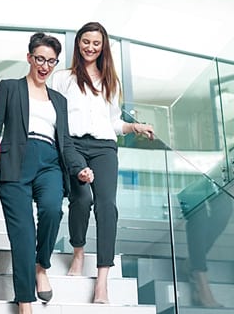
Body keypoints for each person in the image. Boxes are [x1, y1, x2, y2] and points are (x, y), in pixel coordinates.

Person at [49, 21, 155, 303]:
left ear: (103, 46)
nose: (90, 47)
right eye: (86, 41)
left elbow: (113, 122)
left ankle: (103, 281)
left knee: (107, 206)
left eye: (96, 43)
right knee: (81, 198)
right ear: (78, 43)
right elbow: (52, 115)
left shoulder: (111, 81)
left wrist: (136, 127)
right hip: (73, 146)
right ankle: (78, 252)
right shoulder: (63, 78)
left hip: (104, 148)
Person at [0, 33, 94, 314]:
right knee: (23, 233)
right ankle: (25, 302)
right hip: (15, 161)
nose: (45, 66)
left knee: (52, 210)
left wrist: (79, 168)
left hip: (50, 162)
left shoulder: (58, 100)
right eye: (40, 58)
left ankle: (42, 266)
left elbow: (67, 142)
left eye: (51, 61)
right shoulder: (10, 88)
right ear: (29, 58)